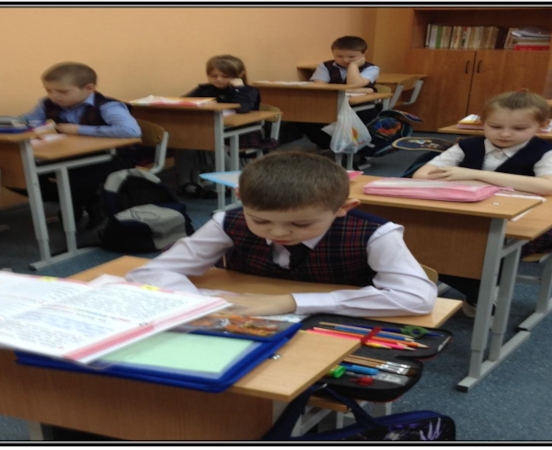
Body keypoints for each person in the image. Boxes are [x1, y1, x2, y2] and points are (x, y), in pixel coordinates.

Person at [127, 151, 436, 317]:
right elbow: (151, 272)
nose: (277, 232)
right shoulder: (227, 221)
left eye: (300, 225)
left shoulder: (375, 233)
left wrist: (291, 301)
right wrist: (201, 306)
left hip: (334, 323)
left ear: (343, 207)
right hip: (246, 319)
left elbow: (417, 298)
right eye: (260, 220)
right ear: (240, 198)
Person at [411, 90, 552, 317]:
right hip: (467, 214)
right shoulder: (467, 146)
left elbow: (550, 186)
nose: (505, 134)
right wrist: (484, 182)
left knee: (488, 242)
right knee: (428, 235)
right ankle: (473, 288)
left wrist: (475, 176)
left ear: (542, 126)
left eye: (519, 128)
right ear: (482, 123)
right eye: (495, 126)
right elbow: (422, 175)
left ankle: (482, 291)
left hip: (524, 221)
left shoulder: (549, 152)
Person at [22, 62, 142, 228]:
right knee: (25, 172)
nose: (54, 96)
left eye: (63, 92)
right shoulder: (47, 103)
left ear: (89, 88)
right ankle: (87, 200)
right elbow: (29, 121)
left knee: (74, 177)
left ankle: (76, 203)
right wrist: (15, 125)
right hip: (73, 154)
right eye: (48, 90)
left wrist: (78, 129)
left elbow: (131, 131)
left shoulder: (107, 106)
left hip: (117, 155)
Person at [175, 55, 271, 199]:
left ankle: (234, 182)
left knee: (213, 141)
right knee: (184, 141)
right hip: (212, 129)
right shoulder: (205, 89)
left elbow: (243, 108)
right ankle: (186, 183)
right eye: (213, 76)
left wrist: (238, 88)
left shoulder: (248, 91)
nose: (218, 79)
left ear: (239, 75)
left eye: (225, 76)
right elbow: (185, 102)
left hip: (242, 131)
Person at [300, 36, 382, 151]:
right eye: (339, 56)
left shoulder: (371, 68)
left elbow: (354, 84)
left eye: (352, 57)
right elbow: (320, 88)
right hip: (331, 103)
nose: (345, 60)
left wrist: (353, 66)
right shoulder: (325, 66)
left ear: (364, 54)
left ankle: (353, 149)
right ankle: (328, 145)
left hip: (362, 106)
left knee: (359, 120)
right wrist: (357, 90)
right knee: (303, 116)